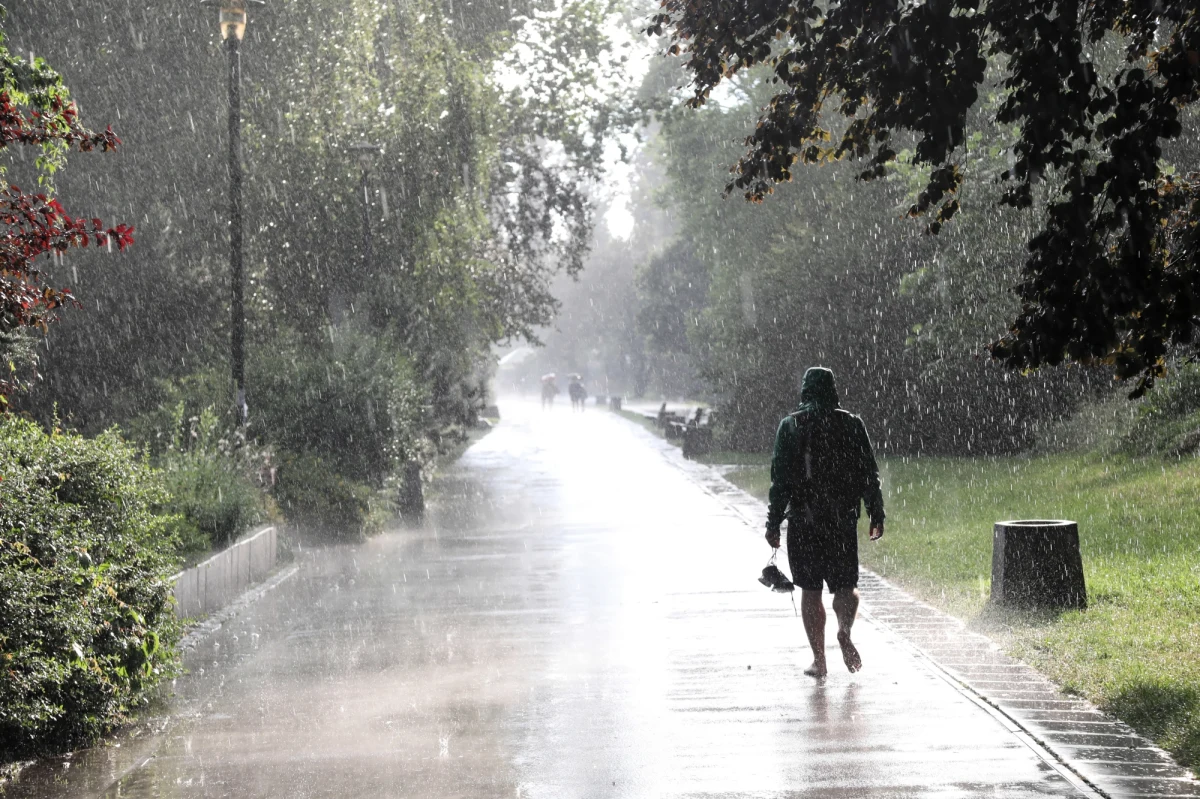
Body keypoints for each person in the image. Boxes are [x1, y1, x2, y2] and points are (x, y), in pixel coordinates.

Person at [765, 367, 885, 677]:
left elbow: (780, 481)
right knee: (845, 585)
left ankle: (819, 660)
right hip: (841, 520)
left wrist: (773, 522)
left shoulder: (790, 426)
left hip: (804, 522)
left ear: (805, 391)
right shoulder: (851, 424)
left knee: (810, 589)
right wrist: (875, 513)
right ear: (833, 390)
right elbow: (868, 474)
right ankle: (844, 631)